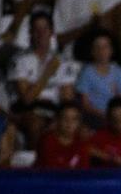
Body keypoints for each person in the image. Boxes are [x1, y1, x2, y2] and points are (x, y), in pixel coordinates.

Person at [9, 10, 79, 147]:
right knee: (35, 124)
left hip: (54, 109)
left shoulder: (63, 61)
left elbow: (67, 98)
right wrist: (48, 72)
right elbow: (27, 99)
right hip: (26, 110)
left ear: (51, 32)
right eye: (36, 29)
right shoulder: (19, 60)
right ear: (30, 33)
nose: (41, 33)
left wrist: (61, 119)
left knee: (77, 127)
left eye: (45, 29)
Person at [77, 30, 121, 126]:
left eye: (105, 47)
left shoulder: (118, 71)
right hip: (94, 117)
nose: (102, 51)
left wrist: (114, 115)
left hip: (116, 116)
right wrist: (103, 114)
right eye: (98, 47)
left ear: (111, 50)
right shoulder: (87, 72)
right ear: (92, 51)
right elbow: (85, 104)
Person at [35, 101, 91, 169]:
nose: (69, 123)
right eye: (65, 118)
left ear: (79, 123)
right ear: (58, 120)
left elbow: (84, 172)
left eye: (74, 119)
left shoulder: (81, 144)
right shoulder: (47, 141)